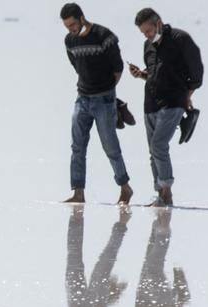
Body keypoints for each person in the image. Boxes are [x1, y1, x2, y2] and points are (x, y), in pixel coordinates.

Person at [128, 8, 203, 207]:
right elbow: (154, 74)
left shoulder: (180, 39)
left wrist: (187, 95)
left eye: (149, 30)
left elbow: (196, 71)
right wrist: (141, 74)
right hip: (151, 103)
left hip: (174, 101)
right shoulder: (147, 46)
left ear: (159, 23)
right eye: (143, 32)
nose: (147, 35)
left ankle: (167, 192)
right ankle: (160, 193)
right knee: (153, 151)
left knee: (158, 145)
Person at [60, 3, 134, 205]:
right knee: (77, 147)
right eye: (67, 26)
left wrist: (108, 93)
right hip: (82, 98)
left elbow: (118, 67)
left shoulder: (104, 36)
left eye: (73, 24)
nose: (71, 29)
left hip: (104, 99)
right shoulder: (70, 41)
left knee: (110, 146)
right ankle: (78, 192)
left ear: (81, 18)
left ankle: (125, 187)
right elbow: (77, 66)